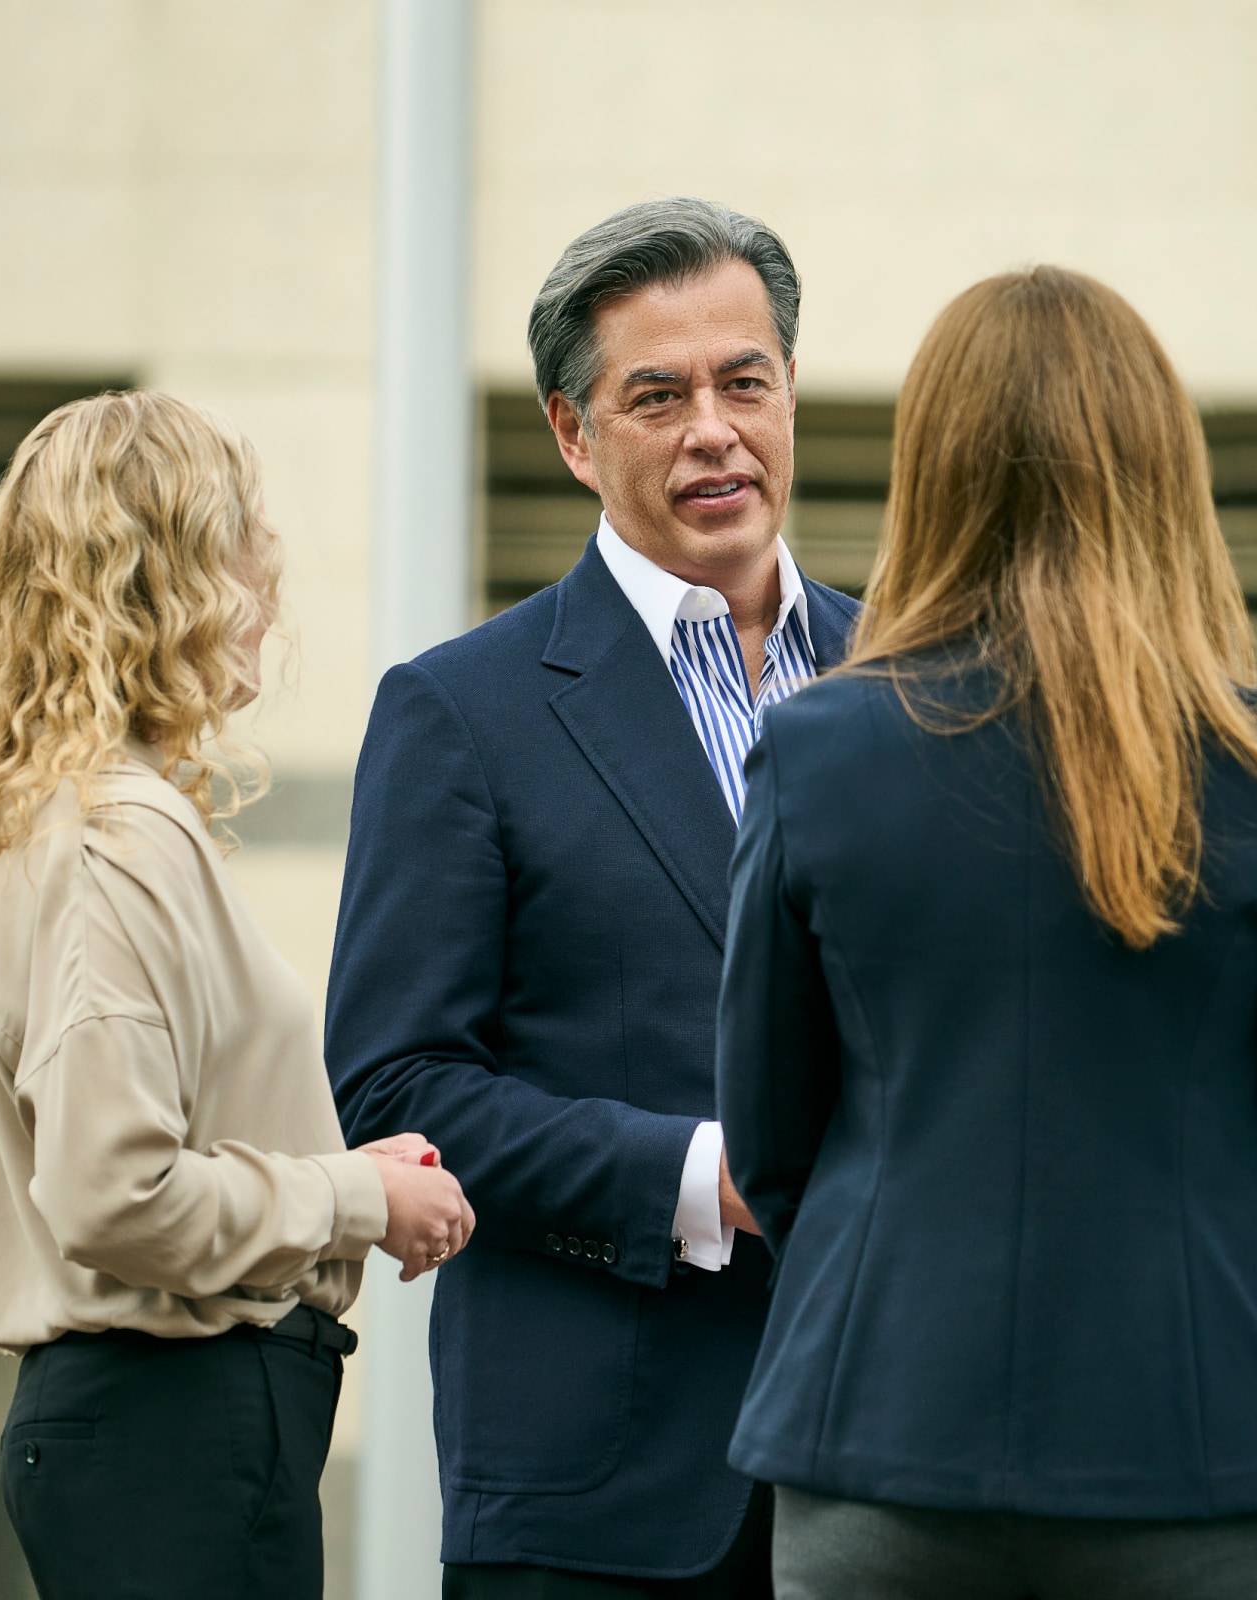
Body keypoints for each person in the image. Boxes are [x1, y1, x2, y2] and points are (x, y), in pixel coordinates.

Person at [713, 266, 1257, 1600]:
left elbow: (772, 1136)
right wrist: (1214, 1301)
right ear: (1161, 466)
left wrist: (891, 1278)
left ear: (935, 466)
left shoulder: (812, 754)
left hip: (881, 1443)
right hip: (1199, 1450)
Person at [327, 198, 858, 1597]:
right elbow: (397, 1087)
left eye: (746, 381)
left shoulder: (915, 684)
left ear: (791, 392)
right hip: (596, 1497)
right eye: (657, 395)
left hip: (891, 1468)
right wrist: (703, 1180)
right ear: (573, 433)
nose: (714, 430)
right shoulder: (462, 713)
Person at [0, 390, 473, 1599]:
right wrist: (352, 1194)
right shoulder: (113, 835)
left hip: (153, 1431)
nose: (269, 583)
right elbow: (115, 1191)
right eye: (245, 538)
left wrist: (341, 1172)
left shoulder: (56, 821)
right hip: (178, 1427)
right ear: (174, 574)